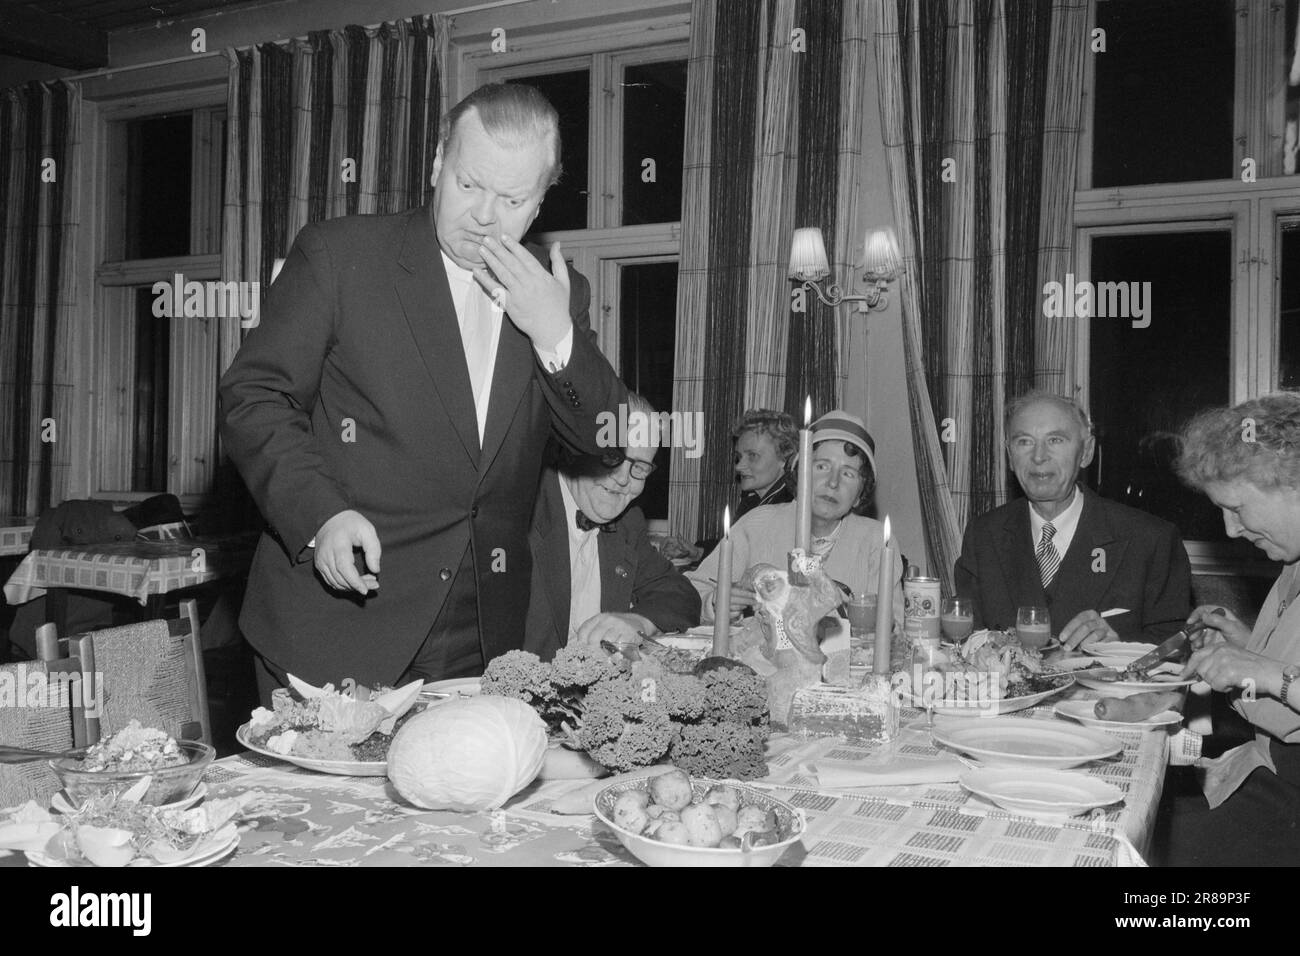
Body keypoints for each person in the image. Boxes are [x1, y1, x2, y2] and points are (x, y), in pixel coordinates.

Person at [219, 83, 626, 699]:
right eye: (468, 185)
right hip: (340, 622)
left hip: (485, 632)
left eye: (512, 198)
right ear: (437, 163)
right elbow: (255, 396)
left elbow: (603, 438)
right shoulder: (340, 253)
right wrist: (320, 513)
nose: (485, 215)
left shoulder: (558, 291)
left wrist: (556, 332)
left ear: (541, 202)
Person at [1159, 393, 1300, 865]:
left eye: (1237, 508)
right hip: (1271, 771)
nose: (1231, 530)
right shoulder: (1292, 566)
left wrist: (1269, 674)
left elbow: (1283, 678)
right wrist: (1245, 645)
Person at [953, 391, 1190, 648]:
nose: (1039, 456)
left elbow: (1178, 645)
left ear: (1086, 452)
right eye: (1024, 442)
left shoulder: (1150, 539)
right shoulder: (984, 535)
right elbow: (966, 640)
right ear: (1010, 456)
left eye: (1055, 440)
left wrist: (1120, 646)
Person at [523, 393, 701, 659]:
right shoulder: (522, 507)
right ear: (572, 449)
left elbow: (681, 595)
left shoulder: (627, 523)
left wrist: (639, 622)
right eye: (611, 456)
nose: (622, 479)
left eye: (639, 467)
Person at [687, 410, 903, 627]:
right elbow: (691, 593)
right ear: (799, 475)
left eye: (848, 473)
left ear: (859, 495)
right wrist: (715, 603)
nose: (833, 482)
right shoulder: (755, 526)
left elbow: (895, 627)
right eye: (821, 467)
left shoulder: (877, 541)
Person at [661, 408, 798, 563]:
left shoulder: (789, 509)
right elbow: (737, 551)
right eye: (739, 457)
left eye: (753, 456)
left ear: (785, 458)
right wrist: (697, 552)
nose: (739, 467)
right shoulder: (753, 500)